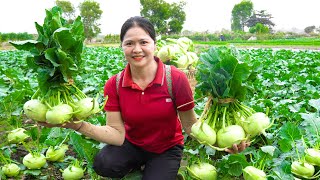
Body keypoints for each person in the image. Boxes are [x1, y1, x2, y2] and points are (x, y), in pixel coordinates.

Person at [39, 16, 248, 179]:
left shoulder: (175, 78)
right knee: (104, 164)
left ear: (154, 44)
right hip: (132, 143)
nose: (137, 49)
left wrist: (221, 145)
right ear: (122, 47)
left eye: (143, 42)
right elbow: (116, 134)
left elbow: (190, 126)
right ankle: (139, 165)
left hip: (166, 148)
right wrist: (77, 125)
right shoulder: (115, 84)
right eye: (129, 43)